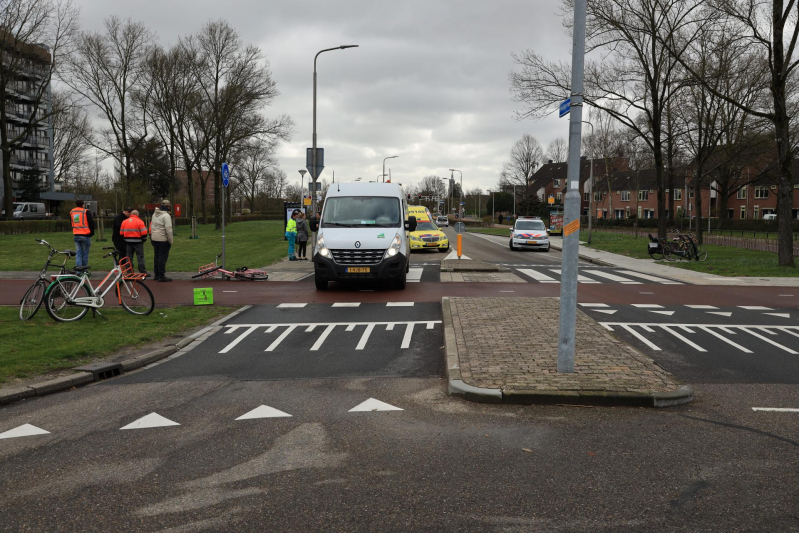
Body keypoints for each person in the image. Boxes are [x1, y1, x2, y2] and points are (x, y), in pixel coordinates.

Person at [150, 200, 174, 282]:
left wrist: (152, 237)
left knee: (156, 257)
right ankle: (161, 275)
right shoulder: (166, 216)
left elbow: (152, 226)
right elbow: (168, 229)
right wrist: (170, 240)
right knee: (162, 258)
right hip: (163, 239)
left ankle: (156, 274)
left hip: (155, 238)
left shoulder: (154, 214)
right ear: (168, 207)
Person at [120, 209, 149, 275]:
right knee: (140, 257)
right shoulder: (140, 221)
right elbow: (144, 233)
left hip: (128, 241)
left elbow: (121, 233)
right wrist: (144, 239)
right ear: (137, 215)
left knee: (129, 257)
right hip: (138, 241)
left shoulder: (124, 221)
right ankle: (142, 271)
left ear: (131, 214)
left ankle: (129, 272)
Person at [70, 199, 95, 268]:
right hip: (85, 235)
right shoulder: (86, 211)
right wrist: (91, 233)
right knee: (85, 253)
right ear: (83, 205)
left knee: (78, 252)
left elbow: (71, 222)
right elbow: (91, 223)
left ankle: (78, 269)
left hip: (76, 234)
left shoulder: (72, 212)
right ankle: (84, 269)